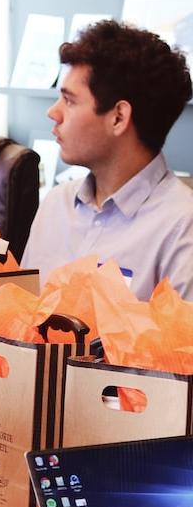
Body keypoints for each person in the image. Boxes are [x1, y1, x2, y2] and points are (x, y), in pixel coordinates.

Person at [22, 20, 193, 300]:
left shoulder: (182, 225)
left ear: (118, 117)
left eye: (70, 100)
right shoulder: (55, 205)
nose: (53, 113)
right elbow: (18, 327)